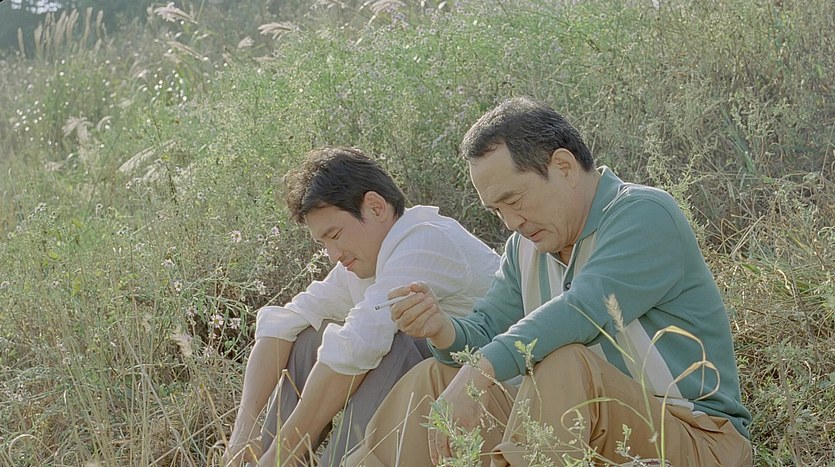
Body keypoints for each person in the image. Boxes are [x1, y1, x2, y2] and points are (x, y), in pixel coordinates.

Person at [346, 97, 753, 467]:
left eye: (514, 200)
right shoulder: (523, 248)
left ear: (564, 167)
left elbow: (582, 310)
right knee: (435, 378)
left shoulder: (644, 214)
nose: (511, 222)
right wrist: (441, 329)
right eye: (496, 211)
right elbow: (485, 332)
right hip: (598, 437)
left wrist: (482, 368)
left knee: (565, 362)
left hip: (697, 440)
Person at [221, 147, 500, 466]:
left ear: (376, 207)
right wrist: (243, 430)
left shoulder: (426, 241)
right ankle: (250, 459)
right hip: (440, 392)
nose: (333, 254)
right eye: (324, 243)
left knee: (395, 343)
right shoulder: (366, 260)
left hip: (486, 400)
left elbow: (357, 346)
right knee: (307, 337)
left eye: (335, 235)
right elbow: (284, 323)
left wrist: (279, 456)